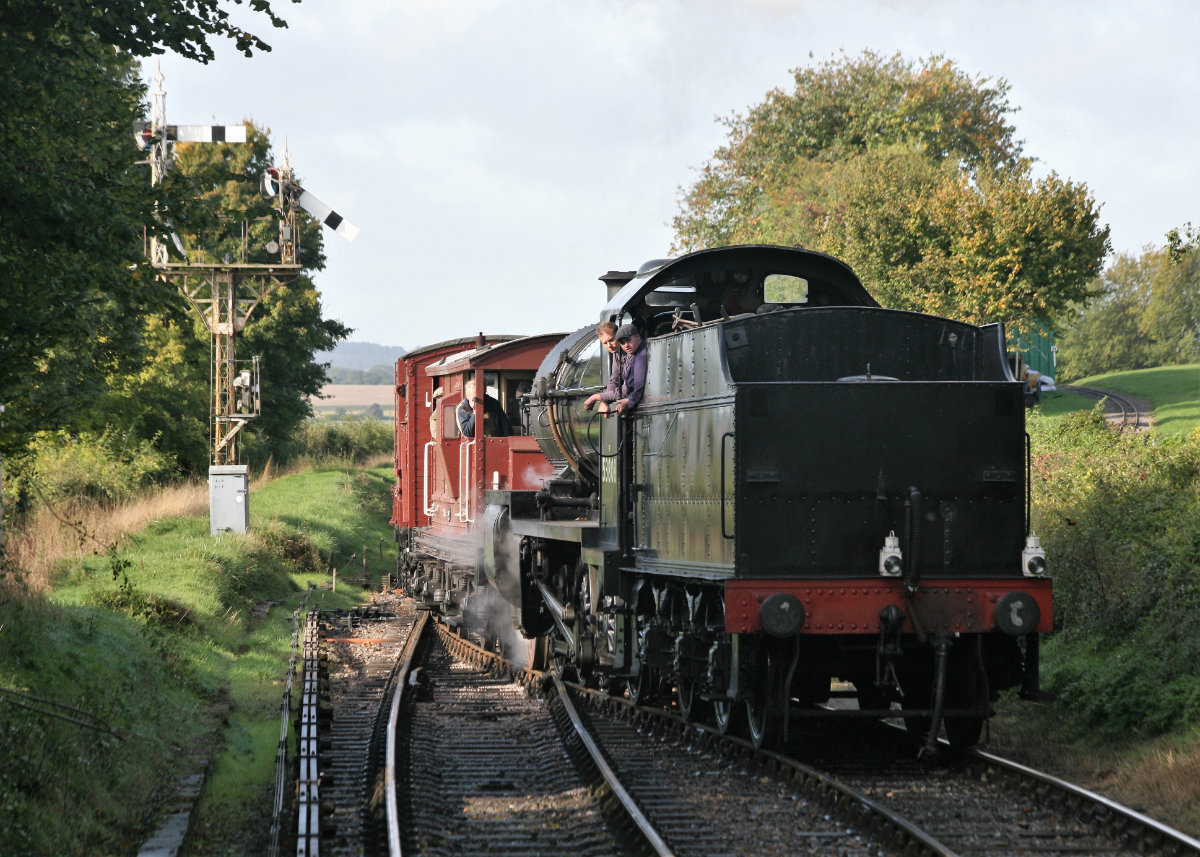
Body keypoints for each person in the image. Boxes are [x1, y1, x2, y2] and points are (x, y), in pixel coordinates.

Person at [584, 321, 623, 413]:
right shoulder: (616, 354)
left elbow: (627, 389)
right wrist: (604, 401)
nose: (609, 346)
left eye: (611, 340)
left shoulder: (629, 353)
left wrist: (597, 397)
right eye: (605, 343)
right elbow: (614, 379)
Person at [611, 323, 647, 415]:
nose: (626, 345)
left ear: (638, 337)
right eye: (622, 343)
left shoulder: (641, 355)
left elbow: (639, 385)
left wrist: (629, 401)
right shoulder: (635, 353)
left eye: (628, 340)